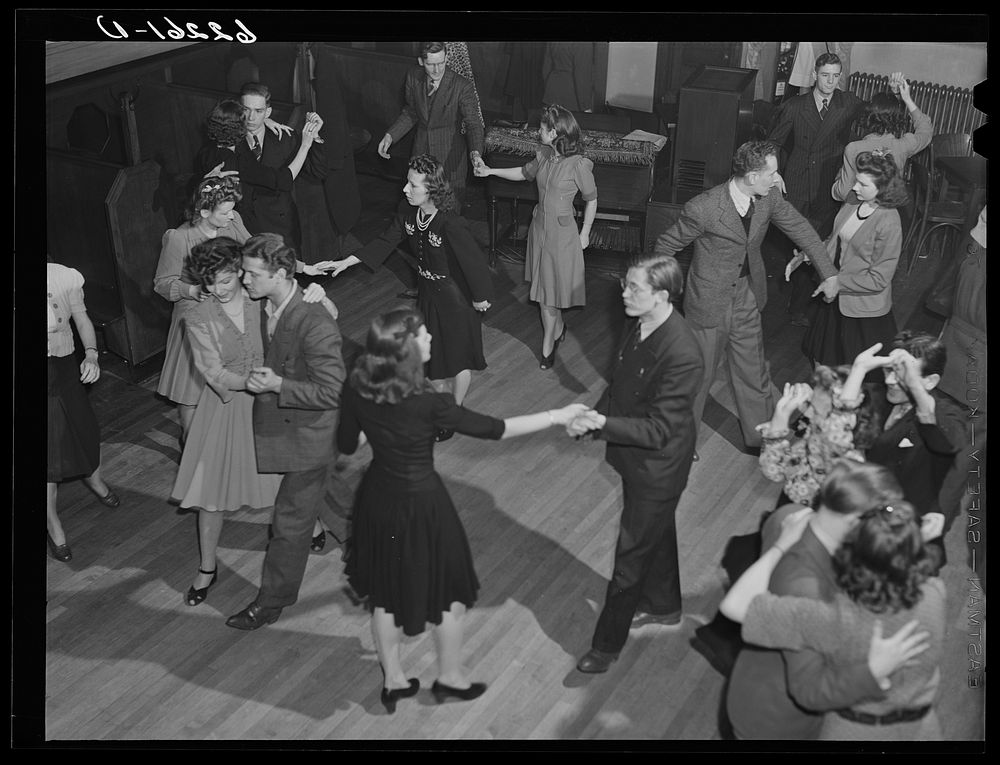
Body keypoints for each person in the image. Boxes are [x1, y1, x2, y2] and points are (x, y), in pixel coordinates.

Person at [337, 307, 588, 712]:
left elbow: (349, 444)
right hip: (422, 504)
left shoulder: (358, 386)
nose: (431, 338)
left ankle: (394, 681)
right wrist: (557, 414)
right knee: (448, 594)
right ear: (405, 350)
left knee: (384, 596)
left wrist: (381, 430)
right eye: (423, 335)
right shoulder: (430, 403)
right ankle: (450, 677)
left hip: (378, 499)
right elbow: (496, 429)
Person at [169, 237, 335, 606]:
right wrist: (253, 384)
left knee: (285, 477)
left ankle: (316, 523)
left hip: (274, 405)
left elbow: (321, 318)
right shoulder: (196, 316)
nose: (218, 289)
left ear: (240, 273)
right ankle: (207, 568)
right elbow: (212, 372)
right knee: (211, 498)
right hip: (227, 411)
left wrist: (316, 296)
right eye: (210, 282)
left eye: (226, 279)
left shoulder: (260, 298)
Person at [565, 254, 705, 673]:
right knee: (654, 531)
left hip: (657, 468)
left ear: (662, 296)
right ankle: (663, 604)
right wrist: (594, 417)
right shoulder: (638, 320)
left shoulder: (683, 353)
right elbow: (621, 383)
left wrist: (603, 423)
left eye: (634, 288)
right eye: (624, 284)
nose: (623, 294)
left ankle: (605, 647)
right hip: (635, 456)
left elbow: (660, 431)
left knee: (629, 557)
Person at [653, 140, 839, 451]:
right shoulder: (704, 207)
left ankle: (763, 436)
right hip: (708, 300)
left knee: (753, 371)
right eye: (772, 173)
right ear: (752, 176)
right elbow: (665, 246)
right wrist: (660, 295)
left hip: (747, 296)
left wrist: (829, 272)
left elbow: (802, 230)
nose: (778, 179)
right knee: (697, 377)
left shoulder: (769, 199)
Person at [721, 492, 944, 740]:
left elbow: (736, 605)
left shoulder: (833, 619)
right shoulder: (934, 593)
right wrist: (907, 542)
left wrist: (782, 544)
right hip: (924, 730)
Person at [323, 154, 493, 438]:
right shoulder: (407, 213)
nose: (405, 189)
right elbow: (384, 241)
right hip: (427, 296)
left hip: (455, 299)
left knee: (458, 358)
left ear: (432, 190)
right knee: (435, 358)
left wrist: (481, 297)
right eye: (407, 182)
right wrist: (346, 261)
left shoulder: (451, 224)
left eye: (413, 186)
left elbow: (473, 262)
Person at [226, 233, 346, 630]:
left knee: (289, 523)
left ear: (279, 274)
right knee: (335, 503)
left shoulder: (314, 320)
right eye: (243, 271)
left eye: (252, 273)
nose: (244, 279)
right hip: (291, 428)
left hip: (310, 435)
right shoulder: (264, 304)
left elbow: (332, 390)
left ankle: (271, 602)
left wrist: (279, 386)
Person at [475, 105, 598, 369]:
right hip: (539, 229)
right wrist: (490, 172)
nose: (537, 132)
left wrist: (585, 232)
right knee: (545, 289)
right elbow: (523, 173)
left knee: (548, 295)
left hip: (563, 235)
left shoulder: (578, 165)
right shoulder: (543, 155)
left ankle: (548, 345)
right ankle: (559, 328)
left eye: (542, 129)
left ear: (554, 133)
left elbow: (592, 199)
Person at [768, 52, 868, 326]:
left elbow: (875, 114)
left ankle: (799, 307)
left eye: (836, 76)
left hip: (828, 185)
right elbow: (773, 142)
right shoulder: (795, 106)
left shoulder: (847, 103)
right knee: (799, 242)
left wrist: (899, 95)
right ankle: (790, 295)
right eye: (825, 75)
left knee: (818, 244)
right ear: (814, 75)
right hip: (798, 181)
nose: (831, 81)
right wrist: (773, 171)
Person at [155, 176, 251, 441]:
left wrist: (299, 267)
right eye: (224, 211)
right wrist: (193, 290)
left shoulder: (233, 222)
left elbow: (254, 251)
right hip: (195, 320)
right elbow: (162, 284)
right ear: (204, 211)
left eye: (232, 208)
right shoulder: (179, 238)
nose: (231, 215)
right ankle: (191, 443)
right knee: (191, 391)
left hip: (231, 316)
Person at [798, 150, 908, 371]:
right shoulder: (853, 201)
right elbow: (833, 239)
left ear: (883, 189)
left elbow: (879, 279)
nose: (855, 187)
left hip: (862, 306)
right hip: (835, 296)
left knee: (860, 373)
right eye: (856, 181)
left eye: (863, 185)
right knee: (822, 361)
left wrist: (838, 282)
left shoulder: (889, 222)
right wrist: (808, 255)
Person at [862, 331, 965, 567]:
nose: (889, 380)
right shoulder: (878, 395)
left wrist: (914, 388)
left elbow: (949, 443)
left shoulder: (947, 416)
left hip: (905, 528)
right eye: (890, 370)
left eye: (902, 376)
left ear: (929, 382)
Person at [47, 261, 121, 562]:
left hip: (64, 366)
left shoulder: (63, 276)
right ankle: (53, 523)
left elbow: (81, 319)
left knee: (83, 428)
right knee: (49, 447)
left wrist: (91, 355)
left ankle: (94, 479)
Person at [378, 42, 486, 208]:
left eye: (441, 63)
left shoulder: (462, 86)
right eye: (430, 64)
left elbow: (473, 123)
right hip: (420, 157)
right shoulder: (413, 77)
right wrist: (390, 135)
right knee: (418, 213)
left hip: (450, 160)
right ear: (421, 61)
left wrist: (476, 153)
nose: (437, 70)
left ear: (447, 57)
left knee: (449, 219)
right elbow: (411, 112)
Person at [195, 98, 324, 229]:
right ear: (240, 128)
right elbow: (283, 180)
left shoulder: (207, 153)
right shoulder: (237, 162)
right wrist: (305, 145)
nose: (251, 119)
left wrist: (266, 120)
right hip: (234, 227)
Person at [236, 82, 327, 251]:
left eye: (258, 111)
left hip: (281, 230)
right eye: (245, 109)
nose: (250, 117)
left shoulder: (285, 138)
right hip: (241, 229)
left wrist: (315, 138)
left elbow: (318, 171)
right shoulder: (230, 139)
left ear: (268, 112)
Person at [831, 73, 933, 203]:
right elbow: (926, 129)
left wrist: (837, 180)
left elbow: (842, 192)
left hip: (857, 211)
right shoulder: (903, 146)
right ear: (898, 120)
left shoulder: (853, 149)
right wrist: (907, 99)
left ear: (867, 117)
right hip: (888, 208)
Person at [542, 42, 595, 113]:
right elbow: (582, 76)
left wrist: (549, 88)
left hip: (551, 94)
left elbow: (546, 68)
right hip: (573, 99)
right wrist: (586, 106)